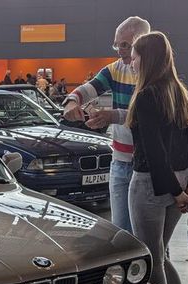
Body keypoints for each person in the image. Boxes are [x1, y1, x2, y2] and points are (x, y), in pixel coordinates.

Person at [125, 31, 188, 284]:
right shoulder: (179, 92)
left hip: (150, 183)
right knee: (161, 255)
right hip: (178, 182)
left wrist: (176, 192)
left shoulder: (146, 96)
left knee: (152, 258)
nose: (131, 60)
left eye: (134, 55)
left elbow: (154, 152)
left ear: (148, 59)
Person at [63, 16, 151, 233]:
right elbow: (88, 88)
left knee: (149, 238)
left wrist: (113, 116)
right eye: (117, 44)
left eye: (125, 45)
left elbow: (151, 116)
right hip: (120, 162)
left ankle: (157, 268)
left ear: (143, 43)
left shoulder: (156, 74)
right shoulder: (115, 70)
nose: (119, 50)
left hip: (149, 166)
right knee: (121, 233)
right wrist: (72, 101)